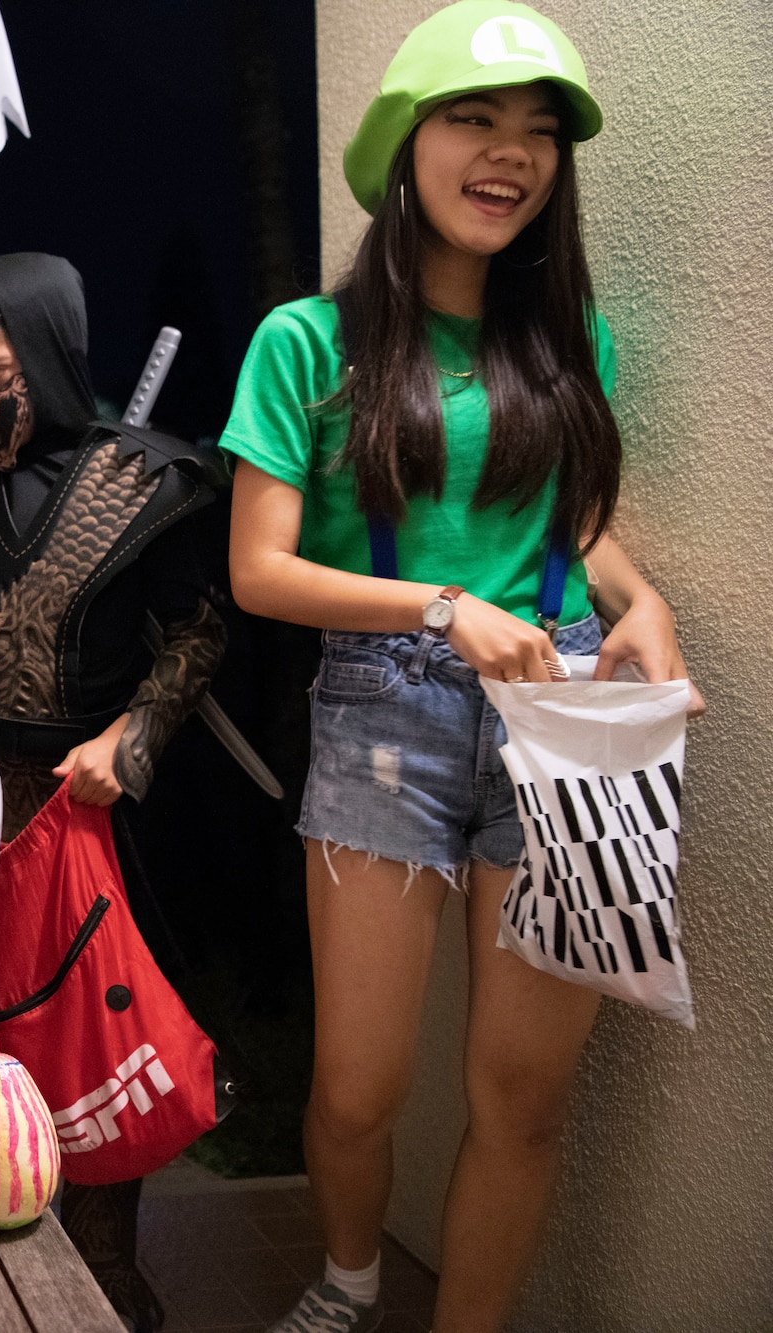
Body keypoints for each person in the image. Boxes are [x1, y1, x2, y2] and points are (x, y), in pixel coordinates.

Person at [222, 6, 696, 1330]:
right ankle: (348, 1280)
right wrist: (442, 608)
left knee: (525, 1099)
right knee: (357, 1087)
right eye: (475, 121)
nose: (511, 155)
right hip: (386, 709)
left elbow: (572, 525)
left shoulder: (566, 338)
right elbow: (261, 571)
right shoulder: (306, 344)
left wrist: (640, 602)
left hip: (568, 713)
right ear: (405, 145)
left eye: (538, 135)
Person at [0, 254, 228, 1331]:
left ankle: (101, 1276)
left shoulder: (148, 482)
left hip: (84, 814)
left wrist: (133, 734)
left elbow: (197, 630)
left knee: (84, 1052)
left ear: (43, 355)